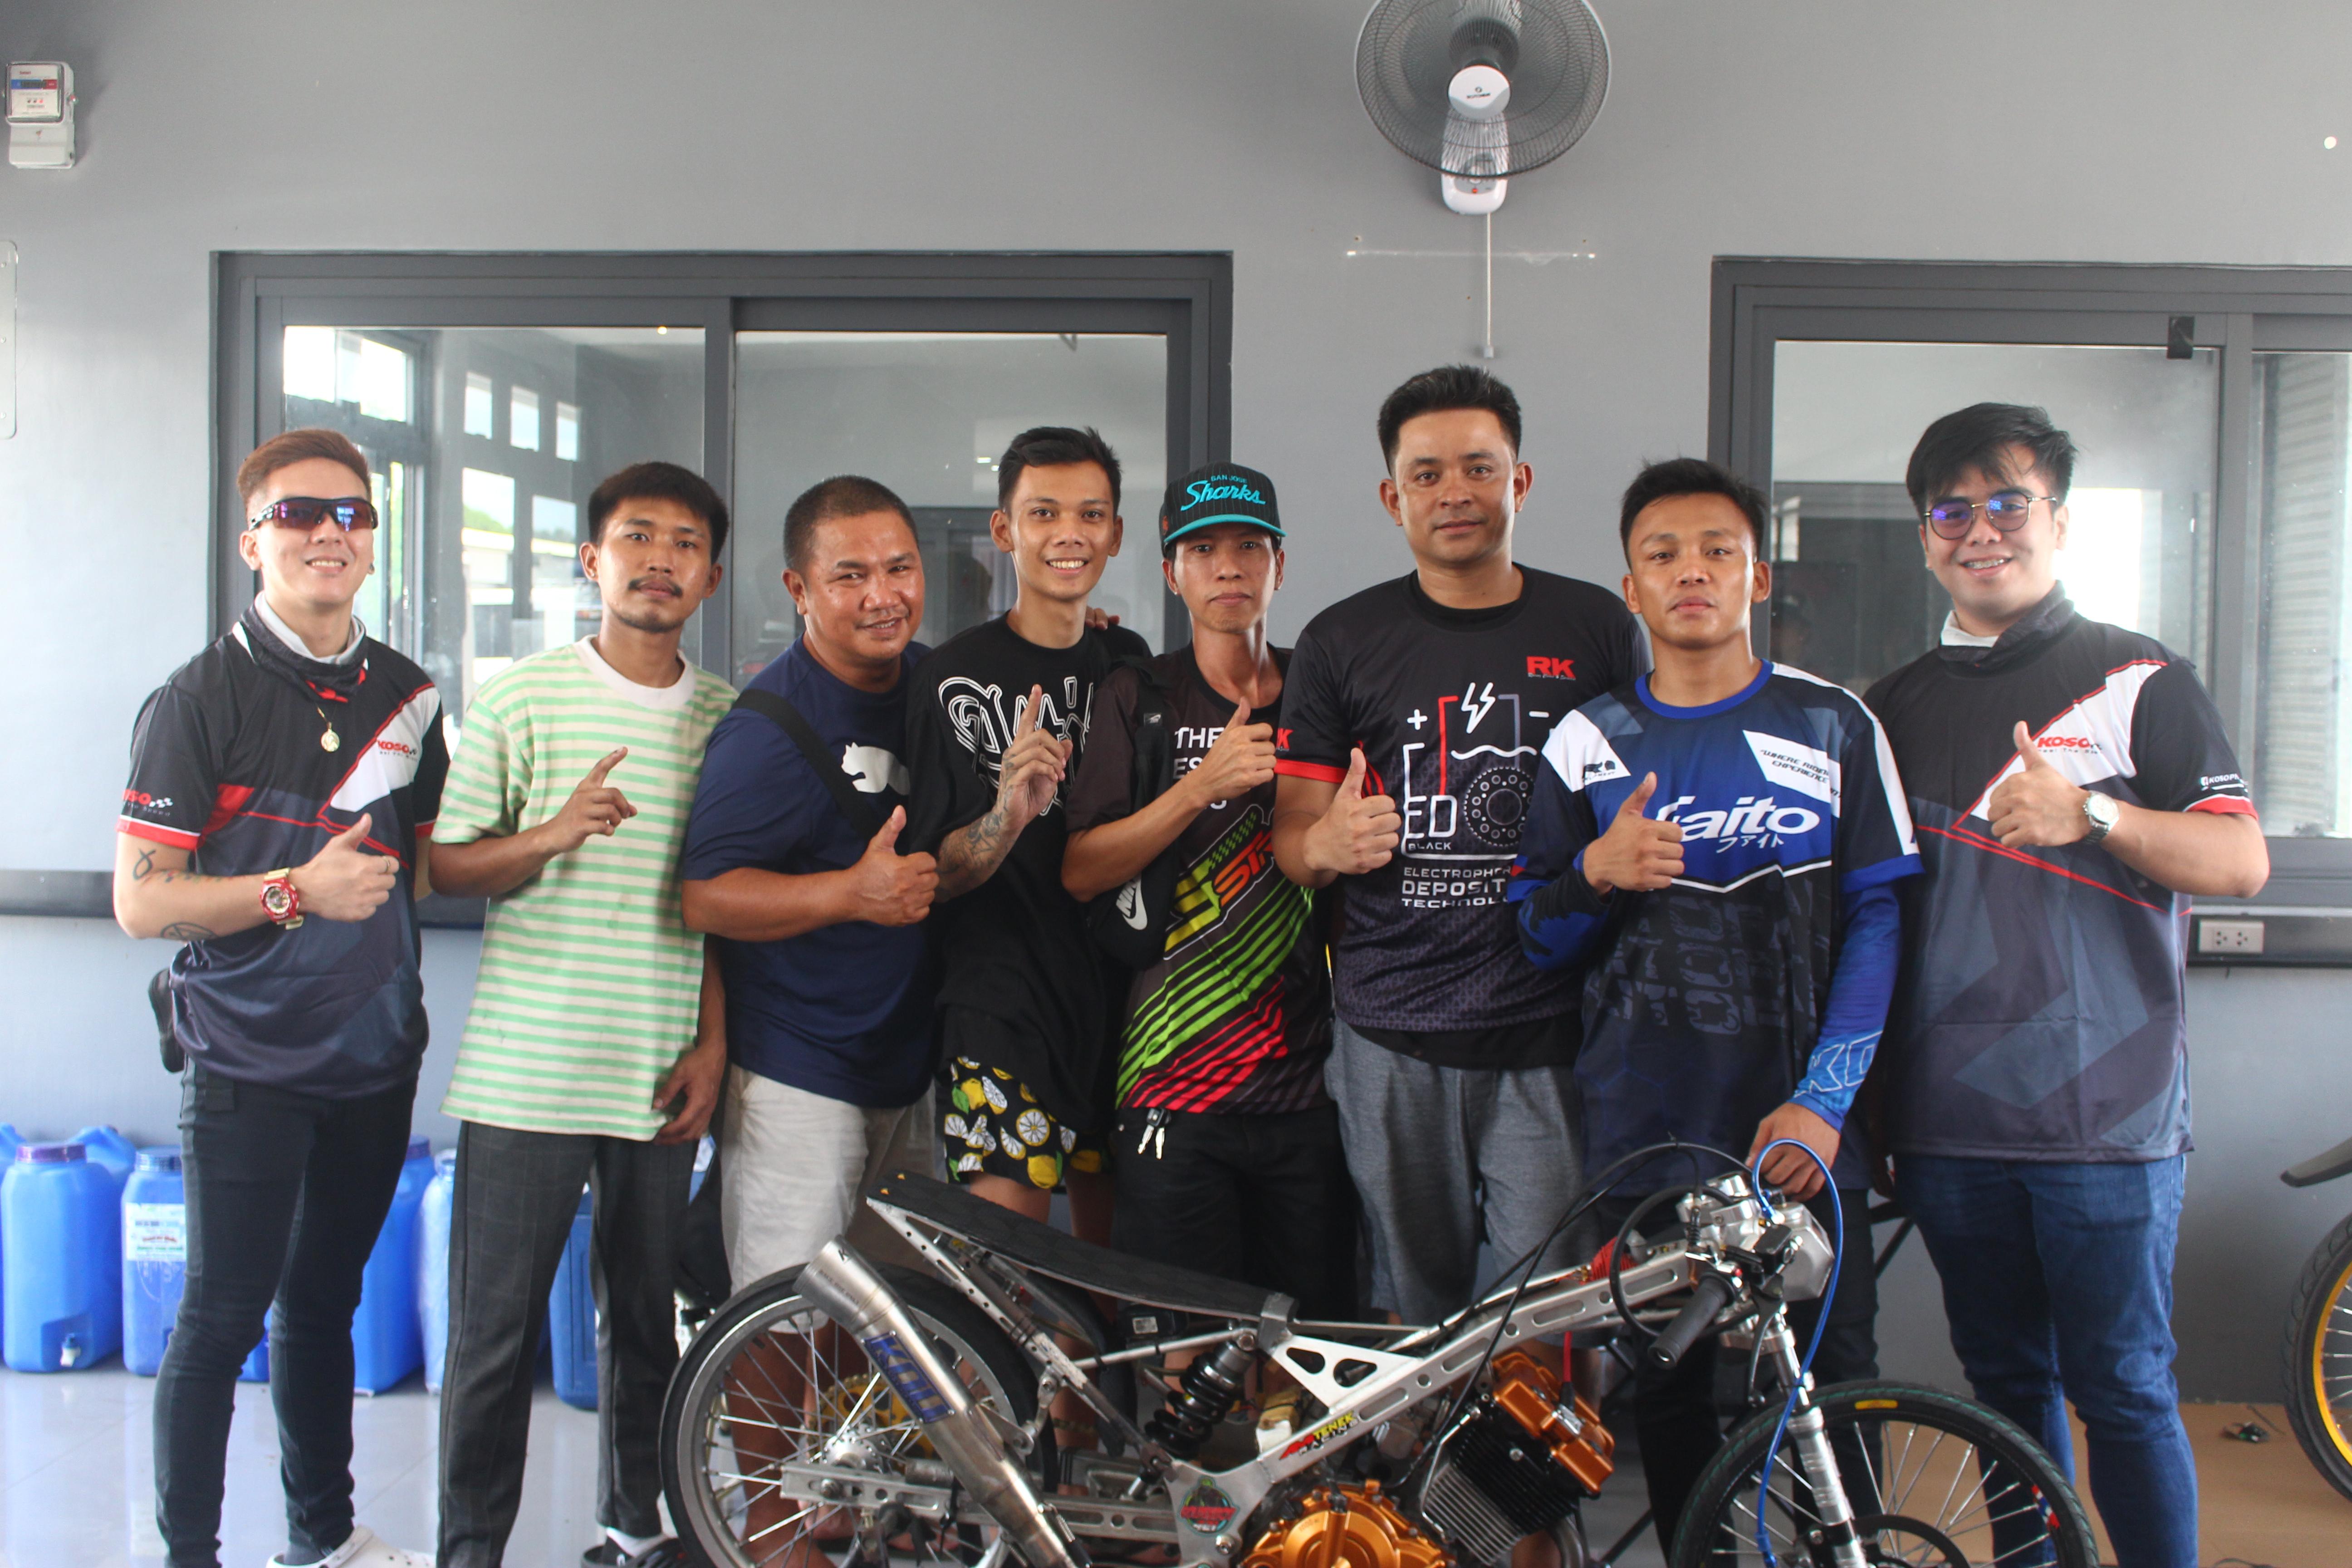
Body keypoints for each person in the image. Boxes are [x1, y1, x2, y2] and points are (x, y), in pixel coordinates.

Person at [1867, 404, 2268, 1568]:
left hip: (2109, 1121)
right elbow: (1875, 922)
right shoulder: (1889, 709)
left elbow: (2240, 862)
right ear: (1925, 537)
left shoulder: (2141, 678)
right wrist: (1877, 1106)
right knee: (2003, 1392)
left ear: (2060, 521)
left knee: (2125, 1391)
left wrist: (2093, 813)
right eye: (1952, 510)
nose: (1981, 530)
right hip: (1949, 1124)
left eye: (2009, 502)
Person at [1509, 457, 1919, 1552]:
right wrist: (1596, 872)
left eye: (1717, 551)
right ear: (1631, 588)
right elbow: (1535, 935)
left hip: (1804, 1132)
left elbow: (1880, 923)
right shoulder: (1587, 740)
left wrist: (1824, 1104)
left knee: (1834, 1381)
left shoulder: (1834, 724)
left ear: (1759, 577)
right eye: (1664, 555)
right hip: (1647, 1137)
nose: (1691, 572)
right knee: (1674, 1390)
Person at [113, 428, 446, 1568]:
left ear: (372, 540)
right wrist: (295, 892)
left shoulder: (409, 694)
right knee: (220, 1319)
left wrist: (554, 835)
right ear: (253, 538)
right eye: (299, 513)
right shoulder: (196, 698)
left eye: (352, 514)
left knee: (323, 1306)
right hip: (247, 1062)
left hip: (375, 1056)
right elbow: (142, 902)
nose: (328, 533)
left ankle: (324, 1541)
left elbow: (427, 866)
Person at [1269, 366, 1642, 1326]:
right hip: (1391, 1035)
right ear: (1393, 498)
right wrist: (1329, 842)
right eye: (1426, 475)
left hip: (1552, 1031)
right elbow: (1290, 843)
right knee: (1410, 1315)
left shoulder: (1597, 627)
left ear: (1520, 481)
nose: (1455, 493)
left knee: (1554, 1317)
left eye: (1479, 468)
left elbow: (1637, 799)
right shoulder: (1341, 639)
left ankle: (1541, 1439)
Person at [427, 461, 735, 1568]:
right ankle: (470, 1551)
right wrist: (552, 834)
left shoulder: (727, 720)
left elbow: (721, 903)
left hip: (658, 1066)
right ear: (592, 560)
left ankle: (633, 1525)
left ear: (709, 576)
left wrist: (714, 1046)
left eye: (686, 543)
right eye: (637, 537)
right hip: (527, 1073)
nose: (660, 559)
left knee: (646, 1319)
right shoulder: (521, 698)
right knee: (494, 1335)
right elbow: (447, 869)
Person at [678, 475, 939, 1561]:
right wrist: (848, 894)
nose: (882, 595)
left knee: (877, 1316)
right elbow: (704, 895)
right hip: (798, 1066)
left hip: (909, 1064)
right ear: (799, 589)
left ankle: (834, 1497)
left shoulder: (934, 688)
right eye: (850, 575)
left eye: (899, 568)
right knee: (781, 1312)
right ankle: (773, 1526)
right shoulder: (769, 728)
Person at [1062, 463, 1353, 1380]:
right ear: (1172, 572)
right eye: (1203, 550)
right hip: (1171, 1082)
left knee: (1308, 1357)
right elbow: (1081, 869)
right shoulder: (1138, 695)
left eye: (1249, 547)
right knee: (1186, 1355)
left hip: (1309, 1082)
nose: (1228, 567)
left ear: (1279, 565)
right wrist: (1200, 788)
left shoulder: (1323, 691)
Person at [903, 426, 1150, 1236]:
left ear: (1116, 533)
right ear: (1005, 530)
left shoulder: (1128, 662)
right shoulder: (951, 675)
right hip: (1000, 1002)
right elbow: (936, 874)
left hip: (1119, 1004)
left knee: (1115, 1273)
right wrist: (1007, 817)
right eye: (1044, 513)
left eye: (1091, 514)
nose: (1069, 533)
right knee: (1009, 1274)